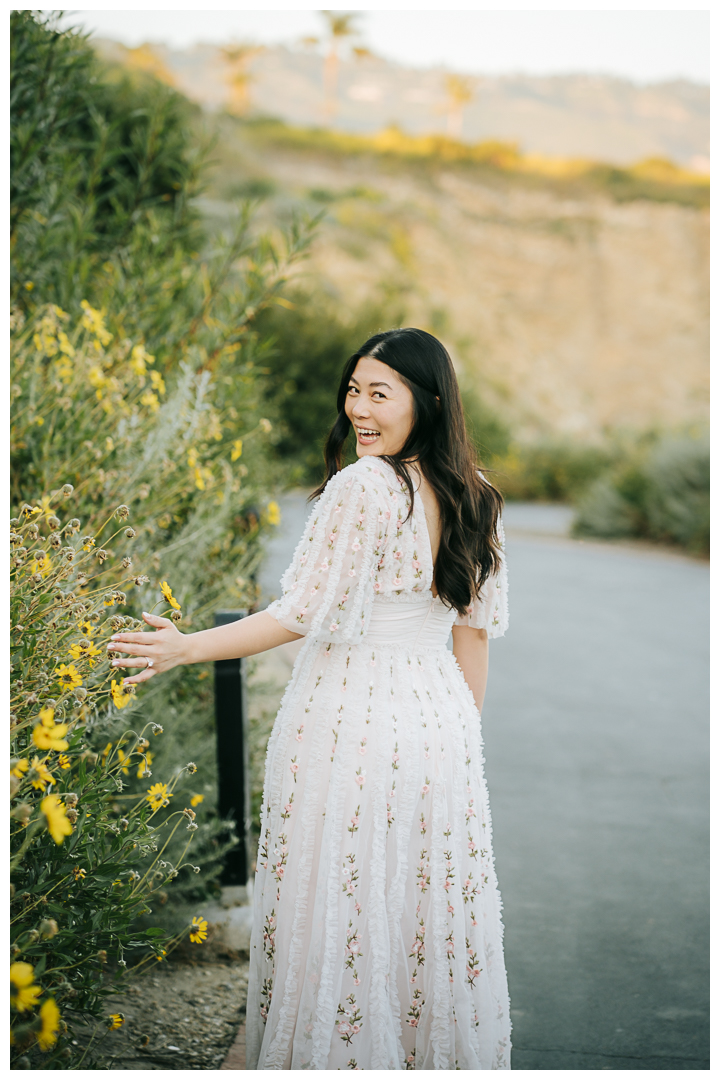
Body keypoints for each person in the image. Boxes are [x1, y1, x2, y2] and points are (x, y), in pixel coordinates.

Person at [108, 328, 512, 1070]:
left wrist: (187, 646)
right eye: (353, 390)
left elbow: (301, 613)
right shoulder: (477, 495)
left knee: (341, 908)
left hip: (348, 725)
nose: (359, 408)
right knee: (416, 913)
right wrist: (456, 746)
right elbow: (474, 640)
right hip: (442, 730)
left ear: (426, 401)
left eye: (379, 393)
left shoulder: (365, 487)